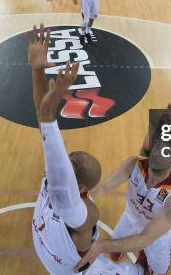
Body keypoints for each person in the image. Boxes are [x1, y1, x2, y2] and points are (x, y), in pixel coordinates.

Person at [28, 24, 141, 274]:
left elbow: (50, 141)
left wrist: (49, 114)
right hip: (54, 255)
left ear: (79, 186)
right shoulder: (70, 192)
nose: (67, 157)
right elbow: (48, 138)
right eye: (71, 156)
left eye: (73, 163)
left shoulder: (83, 213)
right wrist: (36, 71)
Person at [76, 139, 171, 274]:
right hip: (130, 218)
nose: (157, 153)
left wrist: (101, 245)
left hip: (156, 235)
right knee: (113, 252)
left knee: (157, 272)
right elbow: (104, 188)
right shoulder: (134, 164)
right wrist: (77, 206)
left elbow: (146, 238)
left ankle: (142, 266)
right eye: (158, 146)